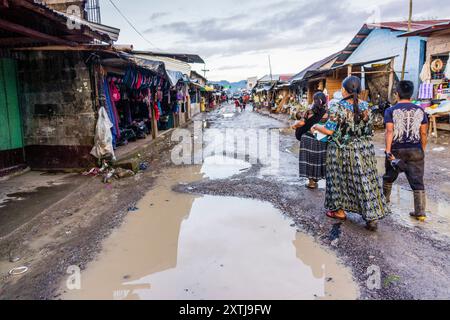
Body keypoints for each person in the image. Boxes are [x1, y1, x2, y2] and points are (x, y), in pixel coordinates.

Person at [312, 76, 390, 231]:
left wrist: (315, 126)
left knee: (338, 180)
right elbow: (370, 130)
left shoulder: (337, 107)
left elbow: (329, 130)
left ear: (343, 90)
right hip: (363, 150)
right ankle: (371, 217)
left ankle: (339, 211)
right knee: (365, 182)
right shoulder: (366, 106)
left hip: (341, 150)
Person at [383, 81, 428, 221]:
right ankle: (420, 212)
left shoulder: (391, 111)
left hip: (397, 149)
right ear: (411, 94)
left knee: (389, 176)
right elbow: (424, 133)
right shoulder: (420, 110)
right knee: (417, 181)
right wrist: (421, 150)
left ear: (397, 94)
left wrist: (388, 151)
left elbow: (389, 131)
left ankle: (384, 204)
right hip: (416, 149)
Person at [293, 92, 329, 189]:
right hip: (320, 139)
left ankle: (311, 182)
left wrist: (294, 125)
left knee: (308, 159)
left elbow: (301, 123)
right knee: (318, 159)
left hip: (307, 139)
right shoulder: (327, 113)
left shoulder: (309, 111)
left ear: (314, 100)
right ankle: (316, 178)